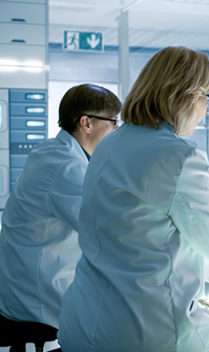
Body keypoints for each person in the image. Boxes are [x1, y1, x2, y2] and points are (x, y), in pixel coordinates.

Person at [58, 46, 209, 351]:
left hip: (84, 322)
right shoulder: (177, 156)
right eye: (208, 100)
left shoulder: (111, 144)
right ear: (188, 95)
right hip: (141, 332)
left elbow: (144, 236)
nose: (205, 112)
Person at [0, 84, 121, 328]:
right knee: (122, 321)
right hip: (37, 296)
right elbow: (103, 228)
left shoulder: (54, 152)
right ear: (87, 123)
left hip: (22, 282)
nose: (117, 131)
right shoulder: (65, 166)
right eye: (113, 122)